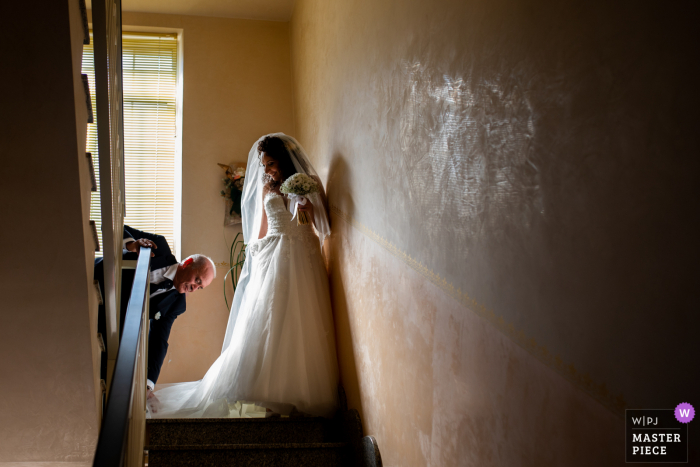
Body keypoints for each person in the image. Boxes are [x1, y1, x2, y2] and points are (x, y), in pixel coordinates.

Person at [150, 133, 339, 418]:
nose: (268, 170)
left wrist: (308, 207)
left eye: (272, 163)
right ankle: (270, 398)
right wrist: (258, 256)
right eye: (265, 165)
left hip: (304, 258)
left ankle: (300, 394)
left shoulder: (307, 183)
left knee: (303, 322)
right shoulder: (266, 188)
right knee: (271, 322)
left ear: (285, 159)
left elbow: (325, 227)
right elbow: (260, 233)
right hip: (275, 257)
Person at [94, 225, 216, 404]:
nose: (195, 288)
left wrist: (148, 384)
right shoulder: (159, 245)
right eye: (197, 280)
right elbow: (114, 226)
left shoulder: (177, 305)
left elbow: (159, 339)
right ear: (188, 263)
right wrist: (131, 245)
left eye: (200, 287)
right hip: (95, 282)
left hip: (107, 324)